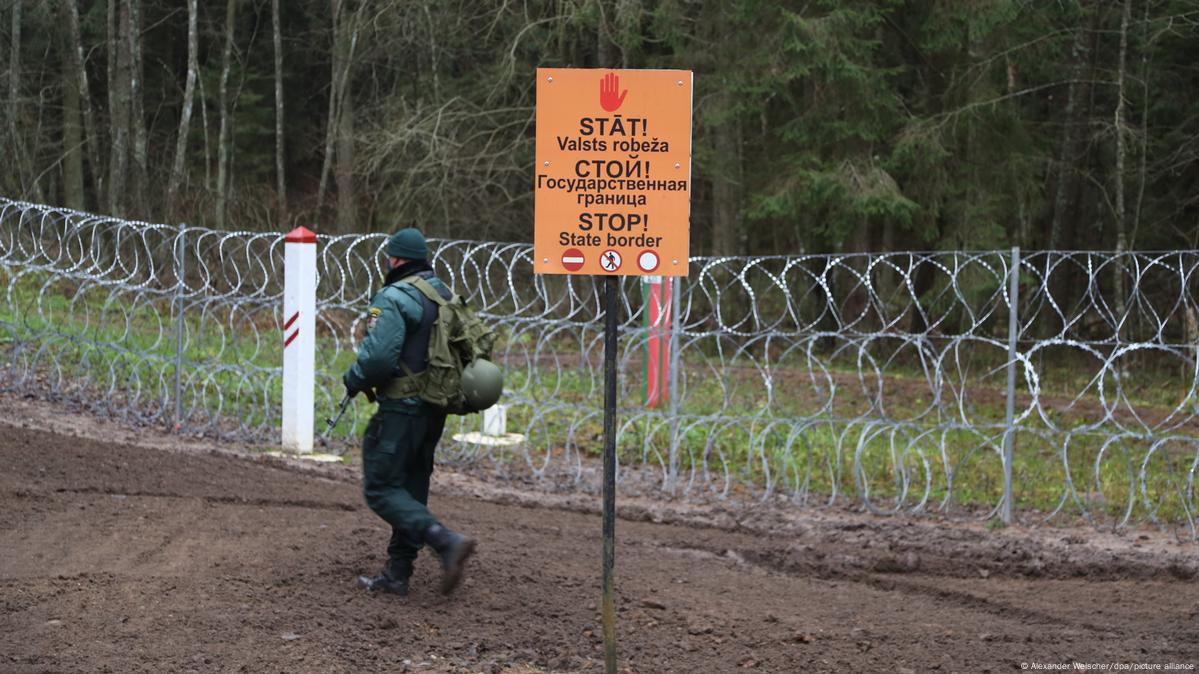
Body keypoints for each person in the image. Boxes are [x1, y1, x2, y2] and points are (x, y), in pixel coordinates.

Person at [343, 227, 476, 597]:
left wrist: (353, 378)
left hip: (402, 407)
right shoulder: (444, 296)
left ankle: (445, 541)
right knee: (412, 489)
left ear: (395, 259)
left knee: (382, 487)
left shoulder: (394, 296)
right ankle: (398, 573)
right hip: (435, 407)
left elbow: (377, 360)